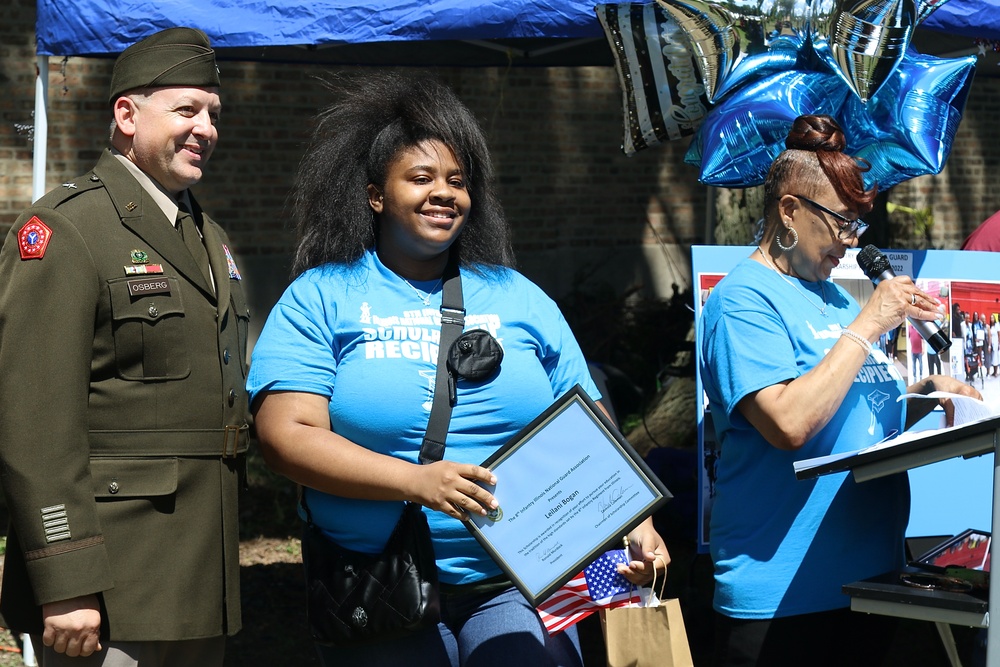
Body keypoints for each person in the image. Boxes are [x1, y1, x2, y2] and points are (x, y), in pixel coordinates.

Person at [246, 71, 669, 667]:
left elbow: (589, 422)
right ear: (375, 195)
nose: (444, 193)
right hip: (379, 581)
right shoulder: (322, 296)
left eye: (457, 181)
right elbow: (285, 437)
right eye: (421, 178)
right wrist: (414, 482)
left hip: (522, 580)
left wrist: (634, 519)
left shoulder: (519, 296)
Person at [0, 27, 250, 666]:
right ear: (126, 115)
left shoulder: (209, 236)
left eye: (213, 114)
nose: (206, 129)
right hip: (113, 584)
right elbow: (34, 423)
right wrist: (67, 579)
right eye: (186, 110)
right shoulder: (66, 228)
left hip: (199, 579)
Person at [698, 114, 980, 667]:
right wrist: (870, 324)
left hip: (869, 581)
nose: (850, 243)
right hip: (785, 596)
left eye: (857, 227)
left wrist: (928, 395)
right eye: (840, 223)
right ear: (788, 210)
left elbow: (855, 409)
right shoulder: (743, 300)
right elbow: (789, 422)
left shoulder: (830, 298)